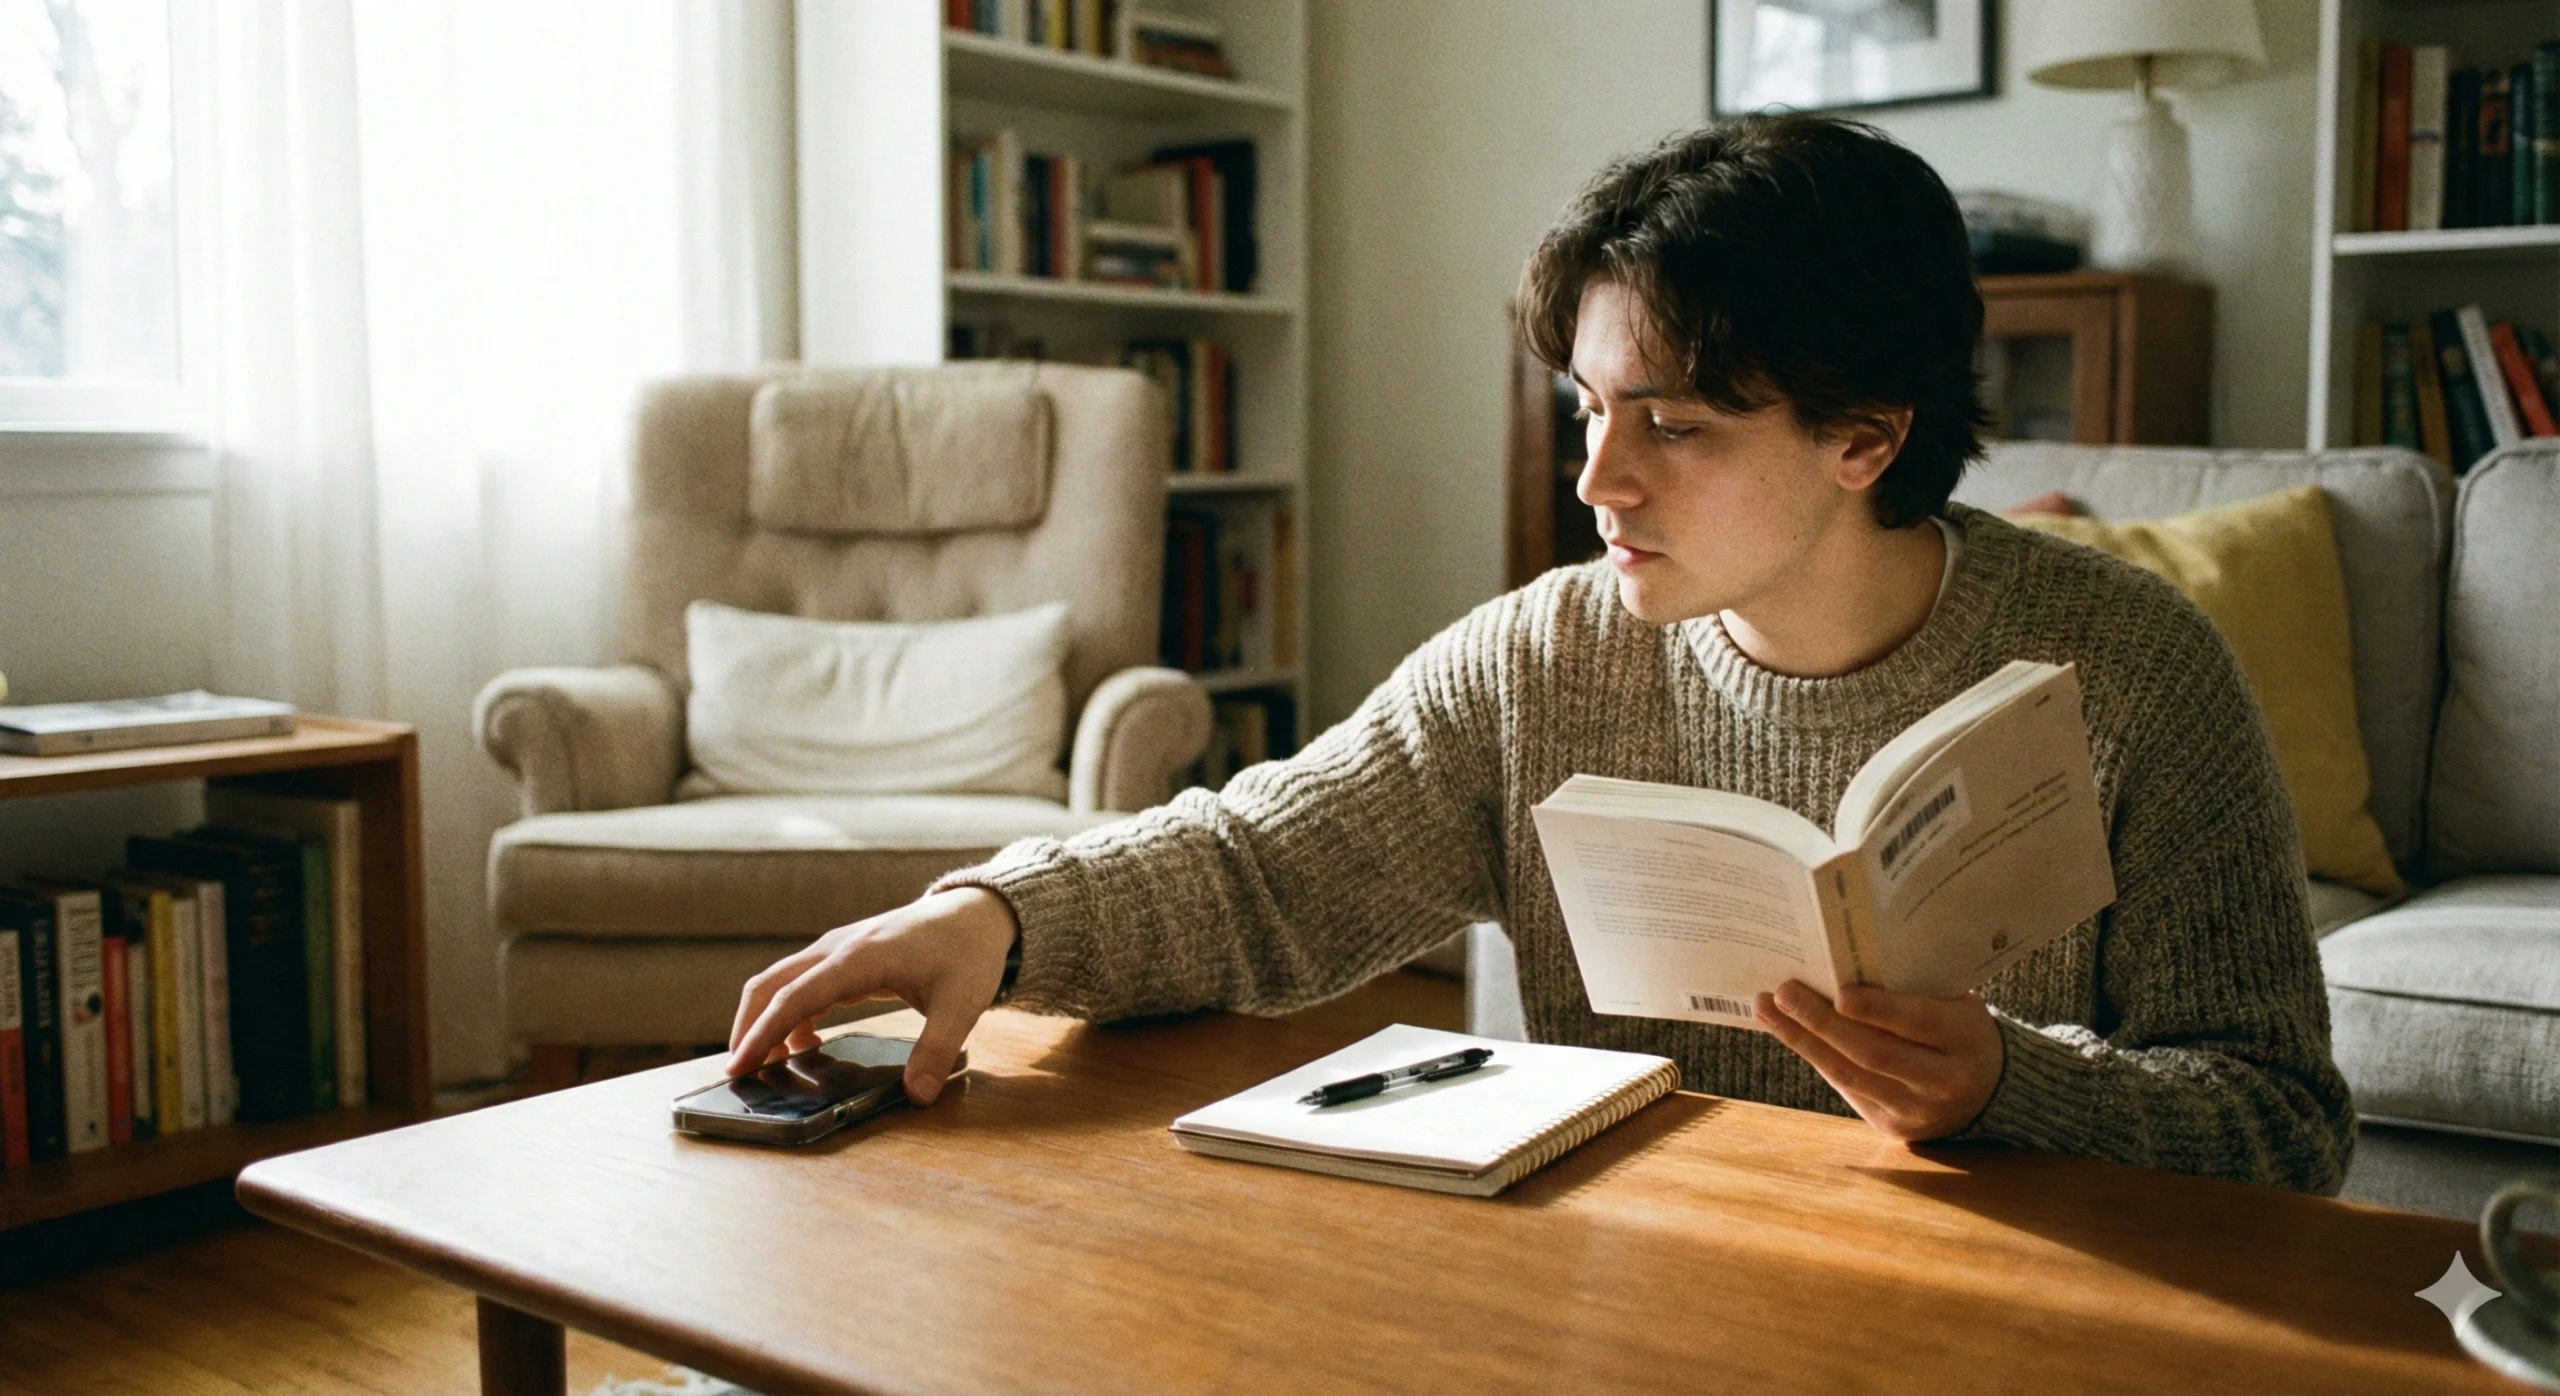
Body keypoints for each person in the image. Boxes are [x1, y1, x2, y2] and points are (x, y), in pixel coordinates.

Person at [726, 114, 2355, 1194]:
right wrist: (987, 916)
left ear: (1867, 436)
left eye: (1679, 426)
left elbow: (2285, 1128)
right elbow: (1260, 869)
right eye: (1589, 407)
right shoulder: (1542, 662)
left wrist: (2011, 1086)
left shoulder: (2135, 675)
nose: (1598, 481)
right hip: (1627, 1299)